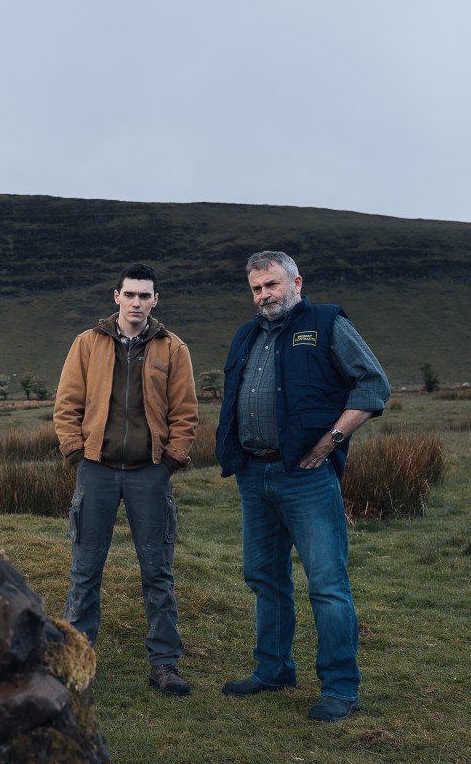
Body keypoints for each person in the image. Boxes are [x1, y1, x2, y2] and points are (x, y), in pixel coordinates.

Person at [216, 250, 390, 722]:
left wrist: (331, 440)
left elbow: (373, 385)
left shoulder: (327, 323)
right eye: (256, 288)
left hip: (307, 476)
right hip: (256, 474)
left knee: (327, 584)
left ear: (296, 281)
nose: (265, 295)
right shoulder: (245, 335)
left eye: (272, 284)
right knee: (263, 577)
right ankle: (273, 670)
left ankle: (340, 688)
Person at [54, 262, 198, 696]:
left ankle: (165, 666)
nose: (136, 303)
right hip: (96, 469)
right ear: (115, 296)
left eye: (145, 296)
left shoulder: (174, 349)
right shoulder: (87, 344)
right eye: (129, 294)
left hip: (148, 475)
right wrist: (77, 455)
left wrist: (168, 463)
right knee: (85, 571)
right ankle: (77, 668)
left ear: (156, 300)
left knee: (157, 572)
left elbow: (186, 413)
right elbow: (66, 405)